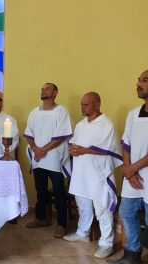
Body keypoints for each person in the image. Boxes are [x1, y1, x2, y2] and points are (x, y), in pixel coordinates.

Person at [62, 92, 122, 259]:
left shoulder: (106, 124)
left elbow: (108, 148)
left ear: (97, 105)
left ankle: (106, 243)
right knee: (83, 205)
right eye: (81, 104)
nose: (82, 107)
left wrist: (83, 150)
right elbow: (75, 142)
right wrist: (73, 149)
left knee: (102, 208)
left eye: (85, 105)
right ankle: (82, 233)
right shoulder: (81, 124)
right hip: (82, 172)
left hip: (99, 174)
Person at [108, 70, 148, 264]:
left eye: (145, 80)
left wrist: (132, 168)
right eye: (138, 80)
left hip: (141, 172)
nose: (139, 84)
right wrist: (128, 168)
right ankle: (132, 254)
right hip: (133, 175)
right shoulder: (133, 114)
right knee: (126, 212)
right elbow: (126, 144)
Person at [24, 83, 72, 238]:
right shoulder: (34, 112)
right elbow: (28, 134)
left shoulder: (61, 111)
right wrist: (36, 149)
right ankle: (41, 218)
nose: (43, 90)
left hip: (54, 158)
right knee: (41, 190)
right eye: (42, 88)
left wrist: (42, 150)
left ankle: (62, 224)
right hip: (39, 158)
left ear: (55, 92)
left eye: (47, 88)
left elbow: (61, 135)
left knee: (59, 192)